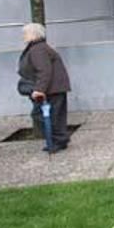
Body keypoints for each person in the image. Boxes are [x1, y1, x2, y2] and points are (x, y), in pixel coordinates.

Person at [18, 23, 71, 153]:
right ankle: (58, 140)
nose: (23, 36)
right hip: (53, 88)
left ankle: (58, 140)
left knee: (44, 115)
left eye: (26, 33)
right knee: (53, 115)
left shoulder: (38, 49)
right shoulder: (38, 47)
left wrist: (39, 90)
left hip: (51, 89)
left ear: (34, 34)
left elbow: (44, 70)